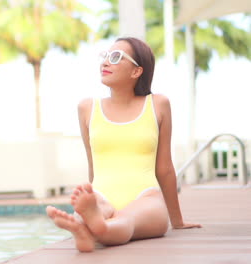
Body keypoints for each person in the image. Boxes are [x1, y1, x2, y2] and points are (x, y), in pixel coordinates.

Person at [46, 37, 202, 252]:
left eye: (116, 57)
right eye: (105, 56)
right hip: (102, 195)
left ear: (137, 71)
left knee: (127, 220)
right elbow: (93, 164)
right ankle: (89, 224)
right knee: (95, 210)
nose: (105, 62)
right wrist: (92, 197)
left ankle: (90, 230)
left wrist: (177, 221)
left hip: (146, 197)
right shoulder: (87, 108)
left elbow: (164, 168)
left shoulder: (158, 104)